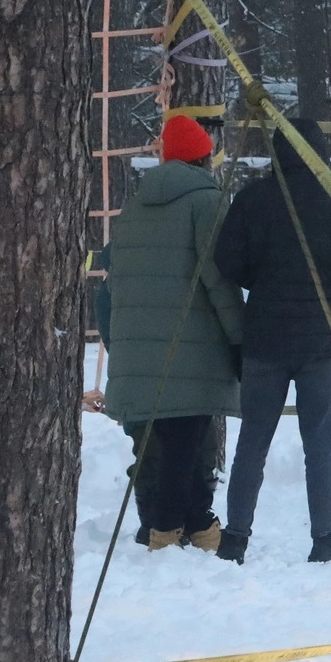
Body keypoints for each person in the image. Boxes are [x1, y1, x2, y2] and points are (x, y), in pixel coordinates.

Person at [215, 117, 331, 566]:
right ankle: (325, 537)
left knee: (253, 440)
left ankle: (236, 537)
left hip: (265, 334)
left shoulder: (253, 199)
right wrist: (330, 286)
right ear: (319, 152)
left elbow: (227, 260)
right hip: (321, 336)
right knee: (320, 443)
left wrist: (262, 284)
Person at [103, 117, 244, 552]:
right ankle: (179, 532)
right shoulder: (207, 203)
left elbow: (113, 283)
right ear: (205, 158)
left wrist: (116, 340)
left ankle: (160, 528)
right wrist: (240, 338)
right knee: (191, 444)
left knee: (151, 448)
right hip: (191, 350)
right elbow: (219, 281)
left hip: (134, 350)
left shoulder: (133, 208)